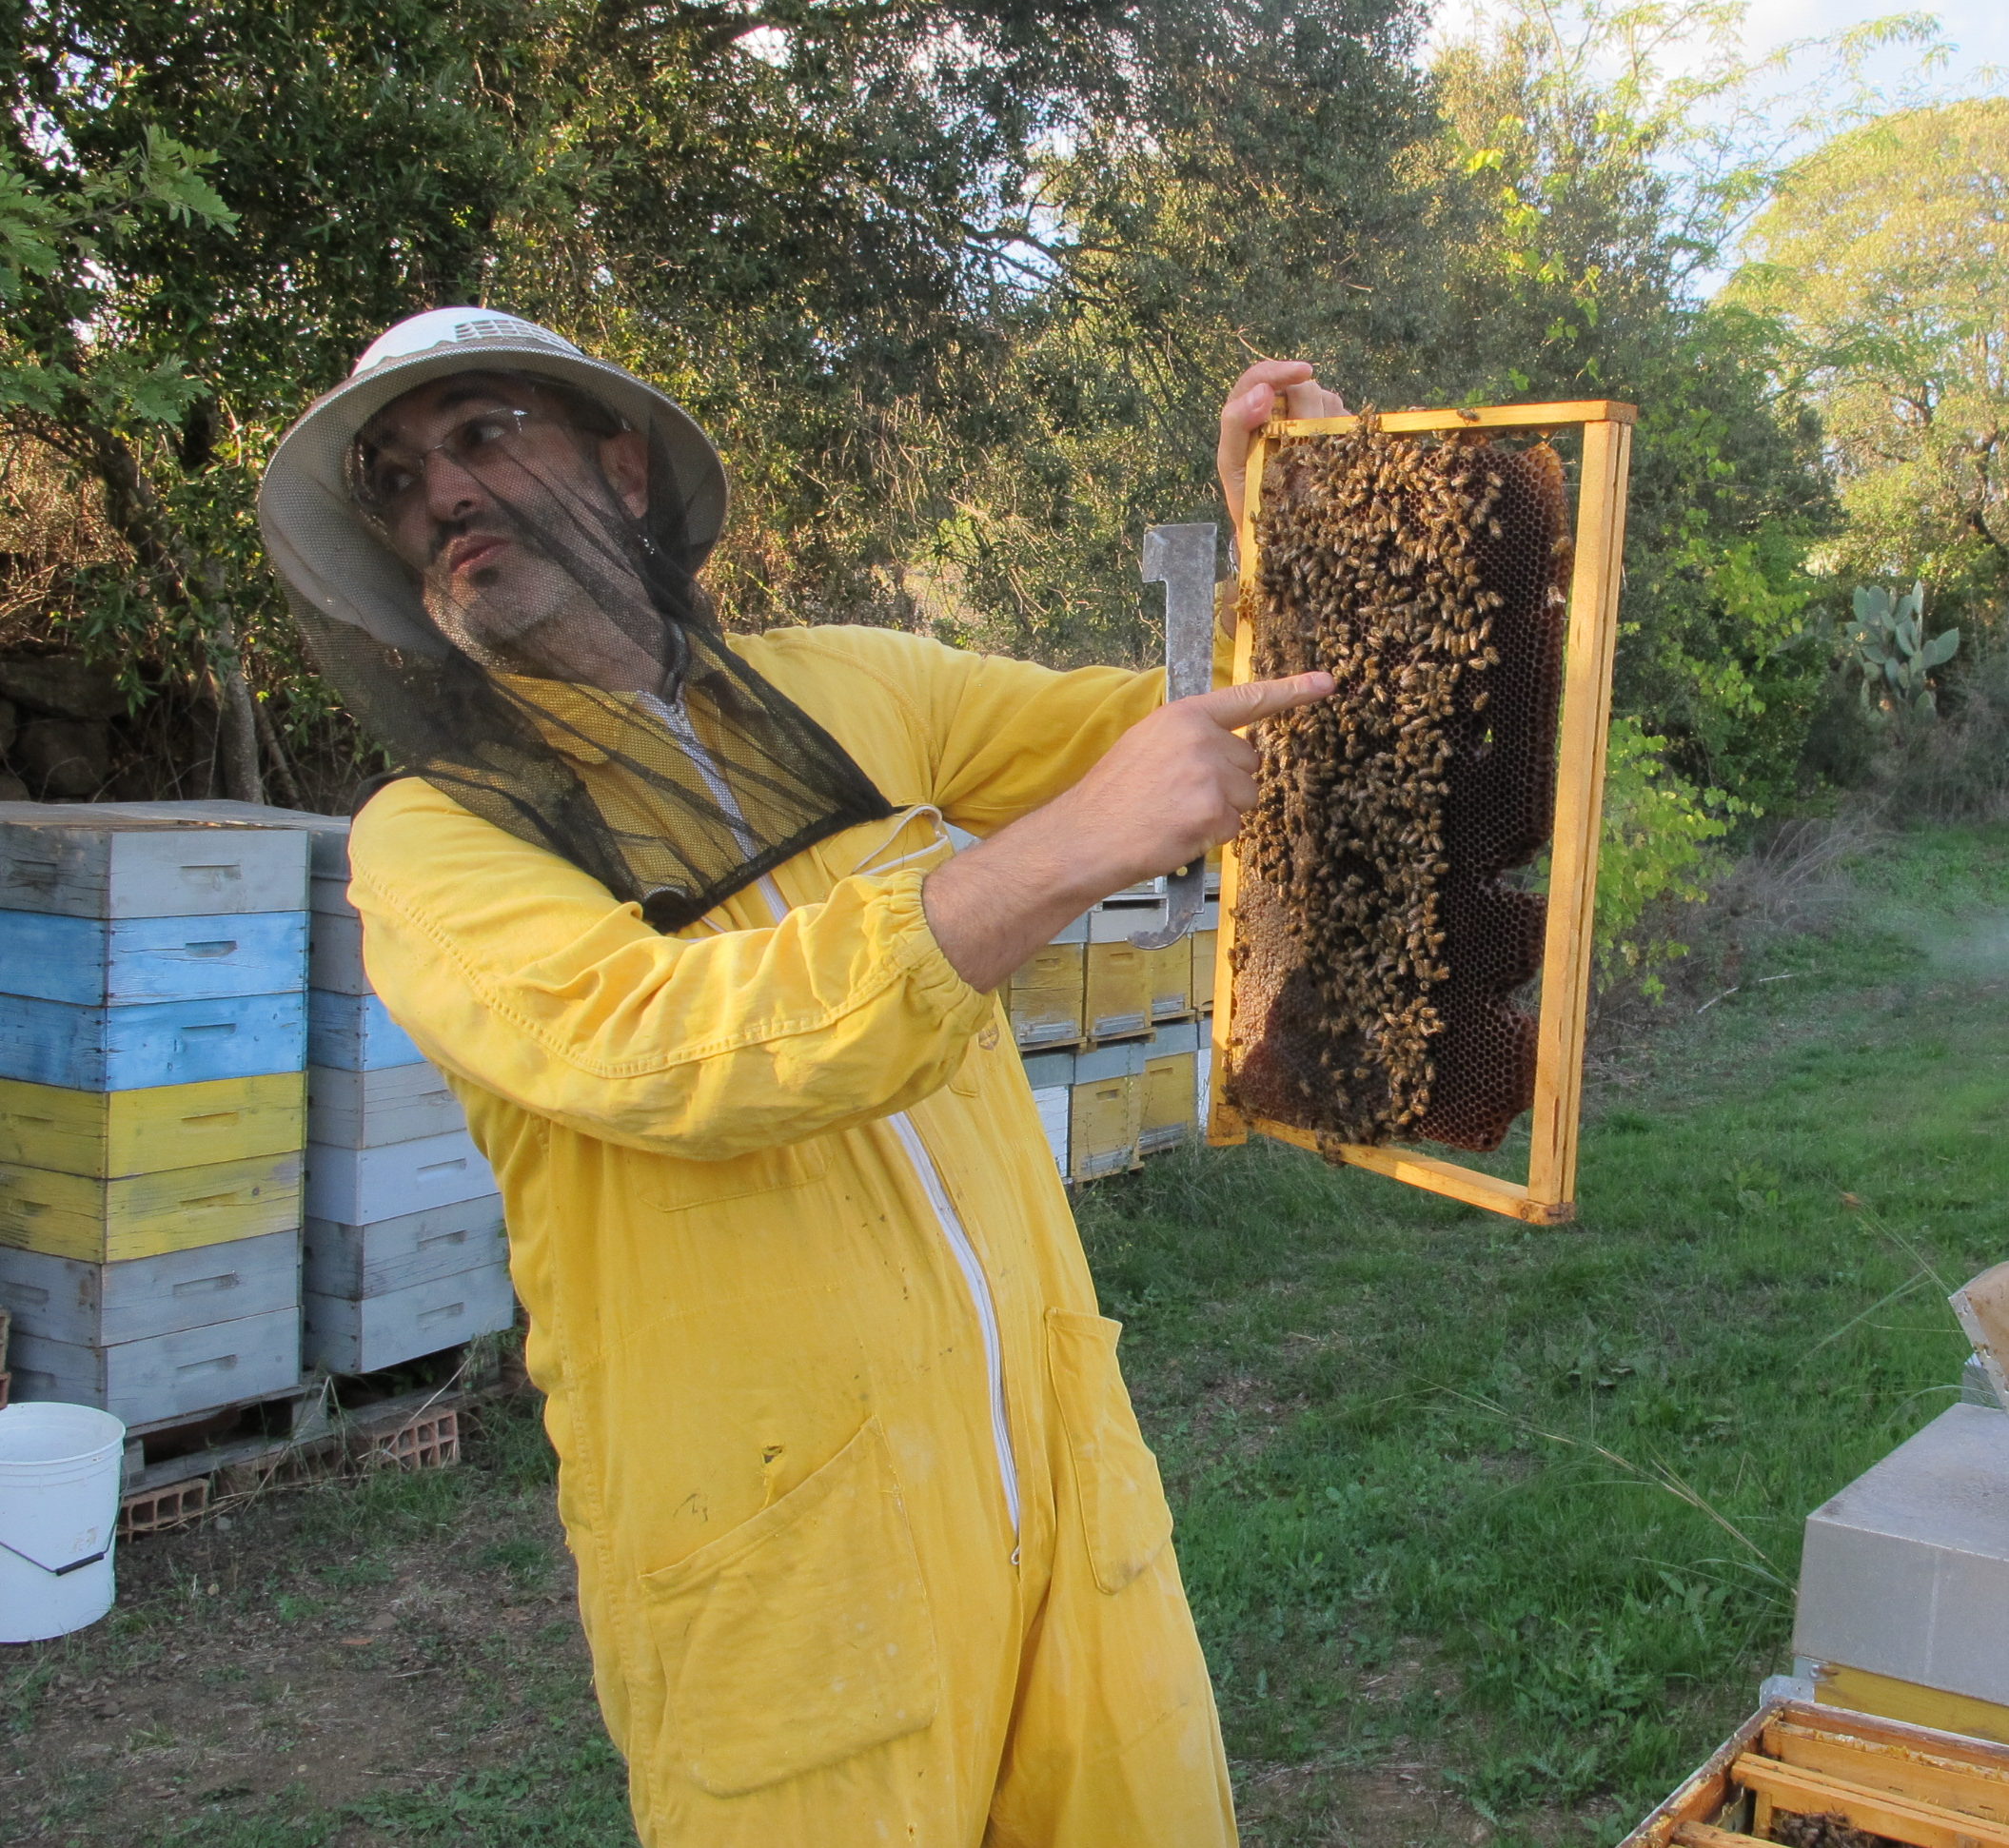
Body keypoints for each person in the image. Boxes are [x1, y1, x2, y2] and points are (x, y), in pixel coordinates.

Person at [258, 308, 1343, 1848]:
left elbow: (1195, 732)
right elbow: (665, 1044)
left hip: (1060, 1486)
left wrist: (1287, 526)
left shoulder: (850, 687)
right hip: (787, 1587)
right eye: (397, 476)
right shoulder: (433, 843)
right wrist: (1069, 847)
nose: (441, 492)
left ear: (624, 472)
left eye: (484, 433)